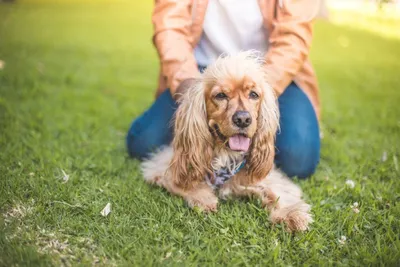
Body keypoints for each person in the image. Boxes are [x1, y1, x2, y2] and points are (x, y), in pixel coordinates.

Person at [127, 0, 321, 179]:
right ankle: (203, 154)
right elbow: (170, 26)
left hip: (271, 74)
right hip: (200, 72)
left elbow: (294, 36)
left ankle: (245, 160)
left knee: (298, 160)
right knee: (144, 143)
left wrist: (260, 91)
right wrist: (186, 83)